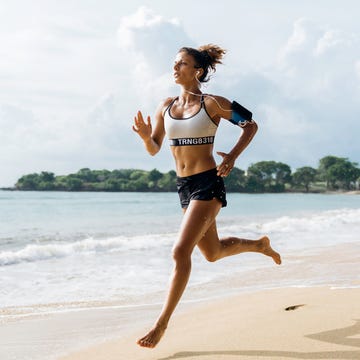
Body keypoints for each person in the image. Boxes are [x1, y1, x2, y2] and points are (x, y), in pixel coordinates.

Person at [132, 44, 281, 348]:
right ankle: (258, 245)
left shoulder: (213, 103)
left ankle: (161, 325)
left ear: (197, 70)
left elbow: (250, 124)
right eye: (174, 63)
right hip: (184, 187)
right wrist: (147, 137)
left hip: (208, 185)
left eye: (182, 64)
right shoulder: (165, 106)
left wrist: (232, 157)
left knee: (179, 252)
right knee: (211, 254)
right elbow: (154, 149)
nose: (175, 68)